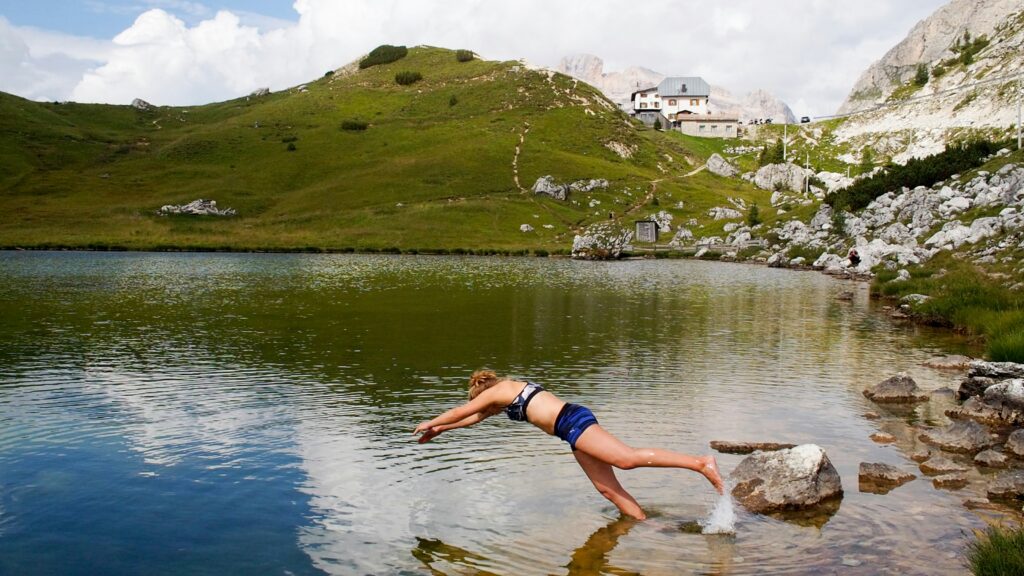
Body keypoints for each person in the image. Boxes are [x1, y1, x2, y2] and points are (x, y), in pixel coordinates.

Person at [413, 370, 724, 520]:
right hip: (569, 430)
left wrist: (430, 421)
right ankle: (642, 524)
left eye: (485, 404)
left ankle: (700, 463)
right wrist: (441, 430)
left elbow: (462, 412)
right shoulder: (503, 394)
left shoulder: (501, 389)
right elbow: (472, 419)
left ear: (484, 393)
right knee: (607, 490)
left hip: (572, 421)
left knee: (626, 459)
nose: (488, 410)